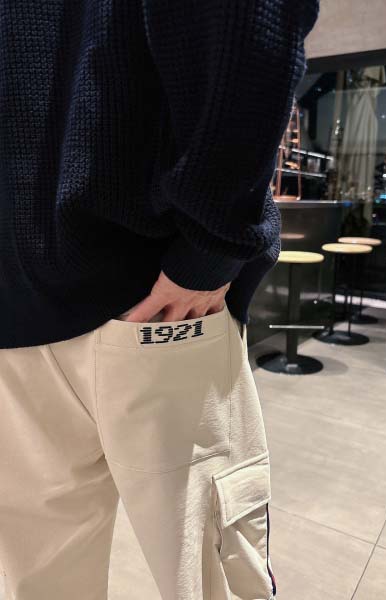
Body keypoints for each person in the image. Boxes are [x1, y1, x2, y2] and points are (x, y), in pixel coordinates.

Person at [0, 1, 319, 599]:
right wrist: (213, 243)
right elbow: (249, 26)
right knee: (209, 571)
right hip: (153, 294)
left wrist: (210, 246)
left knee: (44, 572)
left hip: (64, 300)